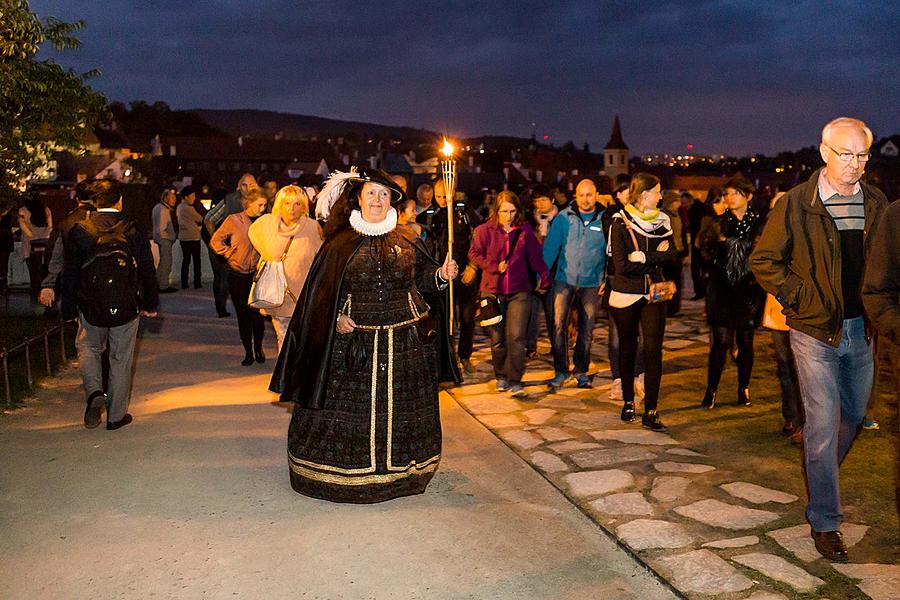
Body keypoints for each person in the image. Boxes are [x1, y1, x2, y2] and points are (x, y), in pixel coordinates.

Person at [270, 167, 459, 503]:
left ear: (392, 202)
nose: (377, 200)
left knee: (401, 413)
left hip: (404, 345)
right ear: (358, 197)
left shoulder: (408, 239)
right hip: (352, 347)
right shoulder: (339, 244)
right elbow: (322, 295)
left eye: (384, 194)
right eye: (371, 192)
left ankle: (401, 474)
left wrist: (441, 276)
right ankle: (345, 477)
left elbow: (422, 280)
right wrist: (337, 317)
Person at [750, 117, 887, 562]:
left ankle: (820, 474)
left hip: (860, 329)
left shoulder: (877, 202)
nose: (855, 164)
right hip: (814, 331)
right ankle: (826, 521)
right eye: (846, 154)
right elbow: (765, 260)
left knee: (851, 417)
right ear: (825, 152)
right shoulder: (796, 204)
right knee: (823, 425)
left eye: (863, 154)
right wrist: (800, 297)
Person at [63, 180, 158, 430]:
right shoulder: (132, 229)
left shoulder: (80, 229)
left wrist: (69, 308)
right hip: (126, 305)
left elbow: (70, 272)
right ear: (119, 201)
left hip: (90, 305)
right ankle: (116, 416)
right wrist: (150, 301)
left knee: (88, 347)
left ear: (95, 202)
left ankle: (95, 392)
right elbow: (147, 267)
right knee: (120, 358)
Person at [607, 173, 678, 432]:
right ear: (644, 194)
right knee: (627, 348)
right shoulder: (620, 222)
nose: (661, 196)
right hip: (626, 294)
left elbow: (672, 255)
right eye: (658, 191)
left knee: (653, 351)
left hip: (654, 294)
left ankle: (651, 409)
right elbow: (621, 265)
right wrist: (652, 258)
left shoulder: (663, 221)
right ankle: (628, 401)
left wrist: (642, 256)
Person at [469, 191, 550, 398]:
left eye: (512, 211)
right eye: (504, 211)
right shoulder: (484, 230)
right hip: (492, 290)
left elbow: (535, 256)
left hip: (519, 290)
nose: (508, 215)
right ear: (496, 211)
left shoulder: (524, 231)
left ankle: (515, 379)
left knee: (516, 336)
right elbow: (474, 254)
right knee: (497, 338)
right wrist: (495, 266)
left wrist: (544, 276)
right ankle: (501, 375)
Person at [699, 177, 765, 408]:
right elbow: (705, 251)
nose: (730, 198)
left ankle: (743, 388)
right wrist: (725, 254)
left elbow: (764, 253)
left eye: (735, 193)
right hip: (722, 289)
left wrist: (737, 249)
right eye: (727, 194)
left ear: (748, 196)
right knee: (720, 342)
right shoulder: (717, 223)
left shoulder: (759, 224)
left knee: (746, 342)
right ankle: (712, 388)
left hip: (748, 291)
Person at [542, 179, 606, 389]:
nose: (585, 200)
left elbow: (610, 253)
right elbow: (551, 248)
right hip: (564, 280)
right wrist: (541, 276)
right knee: (558, 326)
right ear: (575, 196)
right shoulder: (563, 218)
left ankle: (581, 370)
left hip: (591, 282)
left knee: (586, 330)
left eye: (589, 195)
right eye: (581, 195)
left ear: (596, 194)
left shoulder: (605, 219)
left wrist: (606, 279)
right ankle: (561, 370)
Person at [248, 185, 322, 351]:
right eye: (287, 203)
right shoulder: (268, 225)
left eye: (297, 204)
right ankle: (285, 375)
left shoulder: (313, 228)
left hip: (304, 297)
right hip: (279, 295)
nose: (292, 209)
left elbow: (321, 261)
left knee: (304, 342)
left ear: (304, 206)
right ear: (279, 205)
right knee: (284, 341)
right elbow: (254, 233)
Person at [420, 179, 479, 379]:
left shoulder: (464, 210)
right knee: (445, 318)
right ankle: (447, 358)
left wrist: (473, 265)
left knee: (467, 317)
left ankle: (465, 355)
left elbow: (479, 235)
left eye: (446, 195)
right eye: (439, 196)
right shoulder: (431, 215)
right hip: (443, 273)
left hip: (465, 273)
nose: (443, 199)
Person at [760, 190, 804, 442]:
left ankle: (808, 421)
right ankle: (792, 418)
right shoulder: (770, 238)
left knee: (805, 370)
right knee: (785, 368)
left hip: (804, 312)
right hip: (778, 312)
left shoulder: (806, 234)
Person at [211, 188, 267, 366]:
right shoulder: (234, 220)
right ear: (249, 204)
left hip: (257, 274)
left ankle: (258, 349)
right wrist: (229, 254)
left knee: (258, 315)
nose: (263, 208)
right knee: (243, 315)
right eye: (260, 205)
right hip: (237, 274)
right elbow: (215, 241)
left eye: (265, 205)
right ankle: (248, 352)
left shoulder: (266, 222)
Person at [39, 182, 96, 318]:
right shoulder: (104, 221)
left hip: (72, 279)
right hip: (98, 281)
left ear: (77, 198)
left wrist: (48, 283)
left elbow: (54, 254)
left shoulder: (66, 222)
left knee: (76, 326)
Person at [524, 184, 558, 359]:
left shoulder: (560, 220)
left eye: (544, 199)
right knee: (531, 314)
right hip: (532, 274)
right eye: (537, 200)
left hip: (554, 274)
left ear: (552, 200)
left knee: (553, 314)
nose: (540, 204)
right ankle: (531, 347)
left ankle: (556, 345)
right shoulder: (529, 221)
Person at [18, 192, 53, 291]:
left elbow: (23, 226)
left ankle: (35, 290)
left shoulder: (23, 211)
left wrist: (32, 236)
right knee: (44, 268)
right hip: (44, 243)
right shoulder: (46, 210)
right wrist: (44, 236)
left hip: (29, 244)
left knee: (33, 270)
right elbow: (50, 226)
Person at [687, 189, 714, 299]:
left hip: (700, 242)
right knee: (702, 268)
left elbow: (700, 228)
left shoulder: (698, 211)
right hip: (702, 242)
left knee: (699, 267)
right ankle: (703, 291)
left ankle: (701, 291)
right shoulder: (704, 210)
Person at [176, 186, 203, 289]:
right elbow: (200, 218)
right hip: (193, 237)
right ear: (186, 197)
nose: (194, 198)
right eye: (192, 196)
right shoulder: (188, 208)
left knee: (186, 260)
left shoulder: (179, 207)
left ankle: (184, 282)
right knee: (196, 261)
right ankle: (197, 282)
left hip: (183, 238)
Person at [152, 187, 178, 293]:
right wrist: (169, 237)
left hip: (160, 239)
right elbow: (161, 228)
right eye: (173, 198)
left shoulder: (157, 207)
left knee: (163, 263)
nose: (175, 200)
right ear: (166, 198)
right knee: (166, 263)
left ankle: (158, 283)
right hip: (165, 240)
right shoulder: (164, 210)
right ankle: (163, 286)